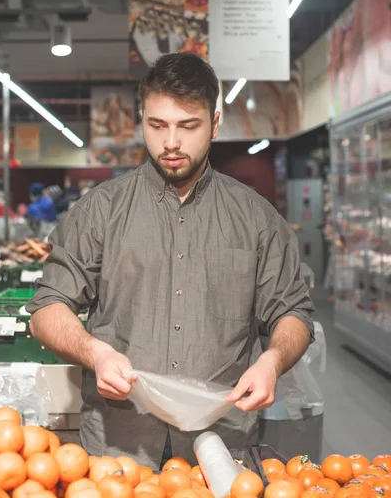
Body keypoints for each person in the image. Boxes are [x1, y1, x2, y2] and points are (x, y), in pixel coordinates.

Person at [26, 53, 314, 469]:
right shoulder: (100, 211)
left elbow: (294, 312)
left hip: (219, 443)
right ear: (141, 118)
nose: (171, 142)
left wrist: (272, 360)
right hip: (119, 443)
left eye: (188, 126)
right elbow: (47, 308)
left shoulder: (257, 218)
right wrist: (95, 352)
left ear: (214, 124)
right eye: (157, 125)